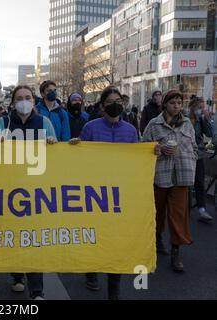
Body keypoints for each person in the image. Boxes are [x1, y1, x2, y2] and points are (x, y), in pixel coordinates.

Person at [69, 86, 139, 300]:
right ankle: (91, 271)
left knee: (116, 241)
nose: (115, 104)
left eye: (118, 100)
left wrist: (150, 153)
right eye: (110, 102)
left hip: (120, 195)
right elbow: (81, 159)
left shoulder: (130, 130)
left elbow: (137, 159)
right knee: (96, 236)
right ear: (102, 106)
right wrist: (74, 147)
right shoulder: (90, 127)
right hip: (95, 194)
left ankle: (114, 290)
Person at [0, 85, 57, 300]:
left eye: (27, 97)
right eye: (19, 98)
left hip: (36, 189)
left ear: (33, 100)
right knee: (15, 236)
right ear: (12, 102)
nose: (23, 101)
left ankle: (37, 290)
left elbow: (56, 155)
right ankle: (17, 276)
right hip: (10, 188)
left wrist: (52, 144)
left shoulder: (44, 123)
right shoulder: (3, 123)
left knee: (33, 238)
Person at [143, 89, 197, 273]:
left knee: (178, 216)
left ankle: (176, 251)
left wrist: (191, 161)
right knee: (157, 212)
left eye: (179, 103)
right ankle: (157, 240)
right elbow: (144, 147)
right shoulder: (154, 124)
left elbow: (194, 147)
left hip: (182, 177)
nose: (176, 106)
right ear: (165, 104)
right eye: (173, 103)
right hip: (160, 175)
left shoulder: (187, 123)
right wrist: (158, 149)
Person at [187, 97, 214, 223]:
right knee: (186, 184)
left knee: (199, 183)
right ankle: (184, 210)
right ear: (192, 107)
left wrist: (207, 118)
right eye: (199, 107)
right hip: (186, 156)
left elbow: (209, 134)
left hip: (199, 155)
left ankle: (202, 209)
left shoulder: (201, 120)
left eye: (202, 108)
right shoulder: (184, 118)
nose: (201, 110)